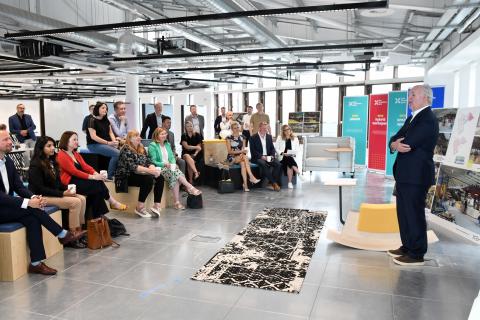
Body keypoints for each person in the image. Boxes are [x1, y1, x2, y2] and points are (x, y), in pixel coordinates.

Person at [0, 129, 84, 275]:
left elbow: (19, 187)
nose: (10, 142)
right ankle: (62, 234)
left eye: (9, 139)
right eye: (5, 140)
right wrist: (27, 203)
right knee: (31, 209)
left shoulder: (7, 161)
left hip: (7, 206)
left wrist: (33, 198)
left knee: (33, 218)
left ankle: (36, 263)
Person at [387, 84, 439, 266]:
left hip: (416, 176)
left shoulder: (428, 119)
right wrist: (394, 144)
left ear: (425, 97)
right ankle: (408, 246)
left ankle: (417, 254)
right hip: (405, 175)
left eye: (413, 95)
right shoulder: (412, 118)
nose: (409, 98)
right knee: (404, 213)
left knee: (414, 213)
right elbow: (394, 139)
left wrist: (397, 143)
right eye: (409, 95)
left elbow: (408, 143)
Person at [28, 136, 87, 248]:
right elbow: (40, 188)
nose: (52, 148)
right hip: (42, 196)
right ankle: (73, 235)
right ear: (41, 148)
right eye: (48, 146)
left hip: (53, 193)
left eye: (53, 146)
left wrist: (67, 189)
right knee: (75, 202)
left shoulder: (52, 161)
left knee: (82, 198)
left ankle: (79, 230)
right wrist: (63, 194)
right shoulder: (36, 164)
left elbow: (58, 184)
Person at [57, 131, 126, 220]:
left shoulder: (75, 153)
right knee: (96, 184)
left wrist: (96, 174)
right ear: (66, 141)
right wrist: (93, 177)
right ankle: (109, 205)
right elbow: (74, 172)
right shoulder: (61, 155)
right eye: (74, 139)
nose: (77, 141)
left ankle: (98, 215)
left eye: (77, 139)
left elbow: (86, 166)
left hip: (77, 180)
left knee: (97, 187)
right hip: (69, 183)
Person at [148, 127, 201, 210]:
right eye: (162, 134)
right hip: (159, 168)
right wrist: (164, 164)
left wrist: (173, 163)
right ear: (157, 135)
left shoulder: (167, 144)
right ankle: (190, 187)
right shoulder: (152, 145)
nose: (164, 135)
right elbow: (153, 161)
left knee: (175, 176)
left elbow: (172, 157)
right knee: (176, 173)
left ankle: (177, 203)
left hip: (170, 168)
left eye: (165, 133)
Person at [115, 130, 164, 218]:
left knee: (160, 177)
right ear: (130, 139)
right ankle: (139, 207)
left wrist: (153, 169)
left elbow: (148, 161)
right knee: (148, 178)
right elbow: (133, 167)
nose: (139, 137)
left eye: (139, 136)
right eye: (136, 136)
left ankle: (156, 205)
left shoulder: (141, 147)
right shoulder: (125, 149)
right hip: (126, 176)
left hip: (140, 173)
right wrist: (151, 171)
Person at [86, 101, 120, 179]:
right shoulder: (91, 120)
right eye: (103, 108)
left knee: (122, 152)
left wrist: (114, 142)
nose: (105, 110)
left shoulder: (106, 120)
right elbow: (93, 137)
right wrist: (108, 143)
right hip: (93, 145)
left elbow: (110, 132)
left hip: (105, 144)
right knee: (117, 154)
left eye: (106, 108)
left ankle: (119, 173)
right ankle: (110, 175)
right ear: (97, 109)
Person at [226, 121, 260, 192]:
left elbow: (243, 149)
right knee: (245, 158)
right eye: (235, 128)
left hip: (240, 156)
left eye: (237, 127)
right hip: (231, 157)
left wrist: (242, 153)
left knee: (243, 163)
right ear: (232, 129)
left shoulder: (243, 137)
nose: (237, 129)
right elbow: (229, 151)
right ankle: (251, 177)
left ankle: (245, 185)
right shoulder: (229, 138)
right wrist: (241, 152)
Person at [249, 121, 281, 191]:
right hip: (257, 157)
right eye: (263, 128)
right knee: (263, 163)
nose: (265, 130)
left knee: (278, 164)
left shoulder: (269, 137)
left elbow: (272, 148)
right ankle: (274, 183)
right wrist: (262, 157)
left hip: (268, 156)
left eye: (266, 129)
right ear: (259, 128)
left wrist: (272, 156)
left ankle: (273, 181)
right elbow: (253, 151)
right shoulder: (253, 137)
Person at [276, 124, 302, 189]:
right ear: (283, 132)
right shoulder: (279, 138)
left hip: (291, 157)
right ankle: (298, 173)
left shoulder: (295, 138)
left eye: (288, 129)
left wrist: (292, 154)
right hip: (282, 157)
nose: (287, 131)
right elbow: (276, 148)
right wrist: (282, 153)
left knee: (289, 161)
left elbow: (298, 149)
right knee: (288, 158)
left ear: (290, 130)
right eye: (285, 130)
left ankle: (290, 182)